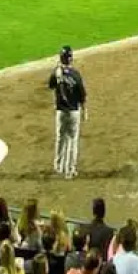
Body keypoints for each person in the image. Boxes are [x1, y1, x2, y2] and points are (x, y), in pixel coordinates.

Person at [48, 45, 87, 179]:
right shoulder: (76, 75)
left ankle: (58, 166)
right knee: (72, 141)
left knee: (60, 138)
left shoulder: (56, 72)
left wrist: (59, 75)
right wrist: (84, 110)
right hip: (73, 112)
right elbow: (82, 94)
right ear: (70, 59)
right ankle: (69, 170)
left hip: (60, 112)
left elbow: (51, 85)